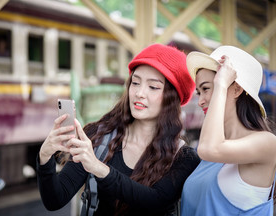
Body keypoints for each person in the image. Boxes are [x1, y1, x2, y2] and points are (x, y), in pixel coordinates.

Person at [36, 43, 200, 216]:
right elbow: (54, 200)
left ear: (172, 99)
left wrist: (98, 168)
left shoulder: (184, 157)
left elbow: (154, 200)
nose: (139, 93)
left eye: (153, 87)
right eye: (135, 83)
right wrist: (45, 157)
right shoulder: (98, 138)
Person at [181, 45, 276, 215]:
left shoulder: (268, 143)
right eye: (199, 92)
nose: (201, 101)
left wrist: (222, 84)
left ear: (237, 89)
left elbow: (210, 149)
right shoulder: (209, 156)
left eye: (207, 89)